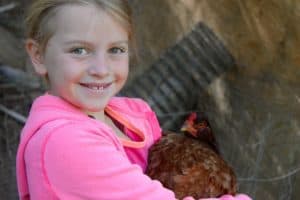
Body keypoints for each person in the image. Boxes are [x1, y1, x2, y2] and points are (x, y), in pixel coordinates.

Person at [16, 0, 251, 199]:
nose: (101, 69)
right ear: (38, 56)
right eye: (79, 50)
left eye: (115, 50)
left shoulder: (133, 115)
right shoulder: (63, 142)